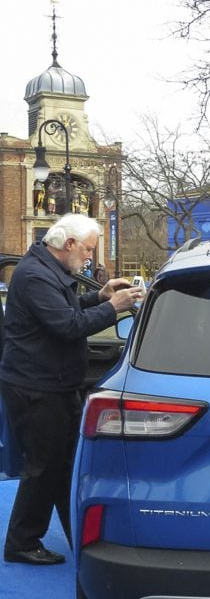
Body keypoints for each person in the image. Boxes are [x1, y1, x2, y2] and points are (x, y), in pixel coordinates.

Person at [0, 213, 142, 566]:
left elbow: (67, 309)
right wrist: (113, 308)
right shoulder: (34, 276)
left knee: (64, 464)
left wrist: (99, 298)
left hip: (52, 383)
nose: (91, 257)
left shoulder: (45, 271)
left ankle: (73, 532)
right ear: (70, 244)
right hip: (37, 386)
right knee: (45, 466)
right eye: (90, 249)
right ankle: (21, 543)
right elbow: (67, 325)